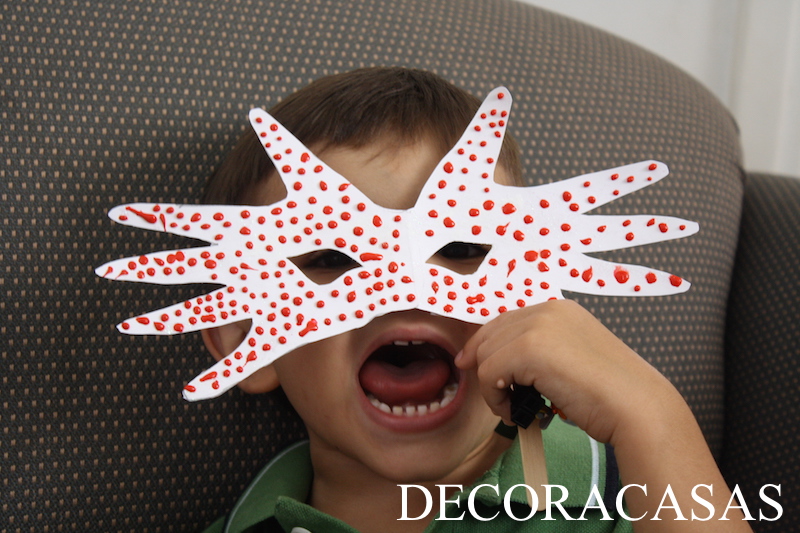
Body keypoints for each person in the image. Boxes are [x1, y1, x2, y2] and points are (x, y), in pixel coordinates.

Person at [199, 67, 751, 532]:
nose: (408, 289)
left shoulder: (631, 488)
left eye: (463, 248)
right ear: (246, 337)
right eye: (334, 257)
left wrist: (650, 416)